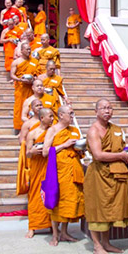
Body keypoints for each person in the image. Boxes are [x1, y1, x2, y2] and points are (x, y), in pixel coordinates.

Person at [85, 98, 128, 254]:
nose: (107, 111)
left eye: (110, 108)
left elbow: (121, 148)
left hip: (115, 174)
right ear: (96, 111)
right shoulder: (93, 130)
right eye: (103, 108)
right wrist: (121, 155)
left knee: (108, 210)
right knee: (97, 209)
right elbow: (98, 155)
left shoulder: (116, 129)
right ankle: (97, 245)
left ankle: (106, 243)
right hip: (99, 175)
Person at [42, 105, 84, 246]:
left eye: (73, 113)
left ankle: (65, 232)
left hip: (73, 169)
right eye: (70, 113)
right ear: (60, 115)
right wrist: (64, 145)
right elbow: (45, 152)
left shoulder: (74, 130)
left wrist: (80, 150)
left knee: (70, 202)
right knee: (57, 201)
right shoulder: (52, 130)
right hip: (58, 171)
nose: (72, 116)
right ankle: (55, 234)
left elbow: (80, 150)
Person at [25, 108, 56, 238]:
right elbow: (27, 153)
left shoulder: (54, 131)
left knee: (50, 194)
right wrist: (32, 152)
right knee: (35, 195)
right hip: (37, 167)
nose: (53, 119)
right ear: (42, 118)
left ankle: (51, 225)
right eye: (50, 116)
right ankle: (33, 226)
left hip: (49, 166)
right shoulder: (32, 133)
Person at [16, 99, 43, 198]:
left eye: (41, 105)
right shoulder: (28, 124)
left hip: (45, 156)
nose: (39, 107)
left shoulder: (48, 121)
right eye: (37, 105)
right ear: (32, 108)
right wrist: (31, 149)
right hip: (32, 156)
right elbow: (22, 141)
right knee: (34, 182)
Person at [10, 42, 39, 131]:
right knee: (19, 107)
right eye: (27, 49)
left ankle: (32, 127)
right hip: (21, 88)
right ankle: (19, 127)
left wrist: (34, 79)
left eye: (30, 49)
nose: (29, 51)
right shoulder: (16, 62)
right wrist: (20, 80)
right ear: (22, 50)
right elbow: (12, 75)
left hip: (31, 89)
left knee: (32, 107)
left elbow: (38, 74)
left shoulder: (34, 61)